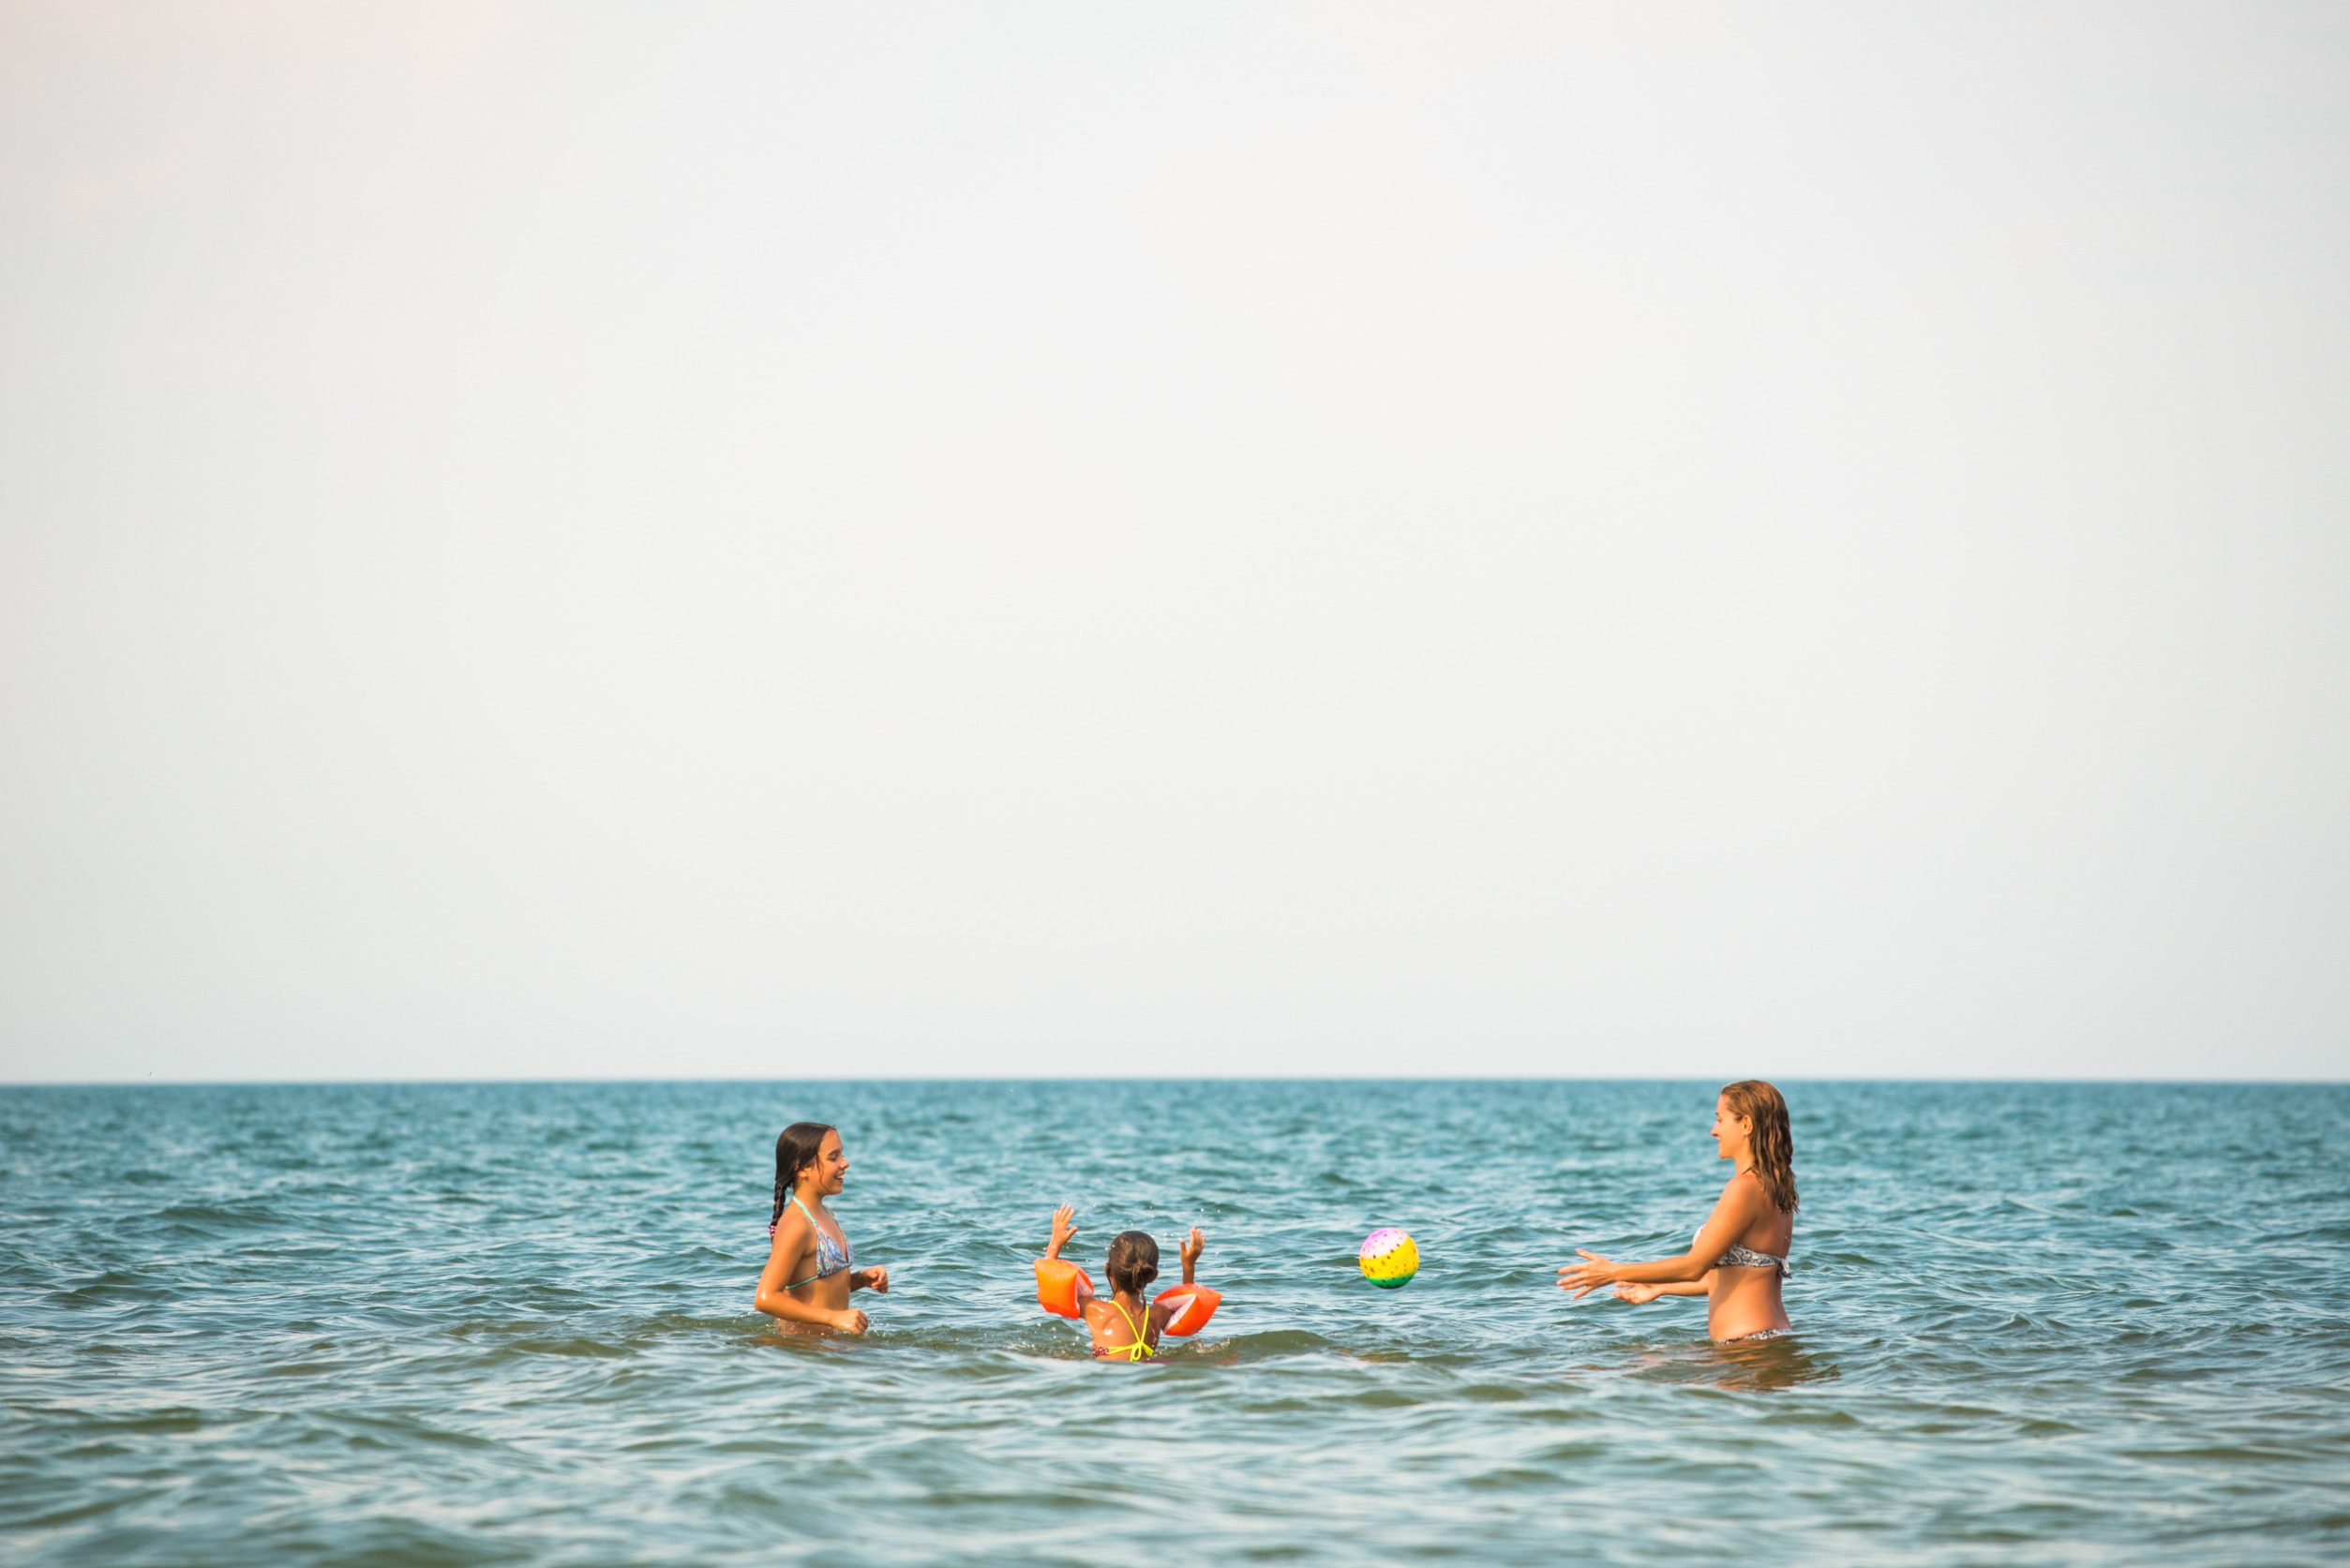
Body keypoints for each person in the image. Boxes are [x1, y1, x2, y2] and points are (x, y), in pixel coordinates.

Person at [1556, 1080, 1798, 1343]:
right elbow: (1733, 1278)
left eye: (1720, 1119)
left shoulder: (1744, 1188)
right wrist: (1661, 1287)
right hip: (1768, 1338)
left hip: (1745, 1345)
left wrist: (1612, 1272)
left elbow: (1694, 1266)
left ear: (1746, 1125)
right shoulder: (1774, 1187)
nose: (1713, 1130)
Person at [754, 1122, 890, 1335]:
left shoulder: (825, 1214)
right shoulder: (797, 1225)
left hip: (826, 1351)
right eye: (833, 1157)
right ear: (802, 1168)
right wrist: (833, 1317)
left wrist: (861, 1279)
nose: (845, 1163)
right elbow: (765, 1298)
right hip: (803, 1354)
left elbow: (819, 1286)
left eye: (841, 1155)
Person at [1040, 1204, 1205, 1361]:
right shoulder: (1157, 1315)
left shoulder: (1096, 1312)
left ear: (1108, 1271)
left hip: (1108, 1378)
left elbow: (1051, 1282)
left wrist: (1055, 1241)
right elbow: (1188, 1303)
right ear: (1152, 1276)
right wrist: (1188, 1265)